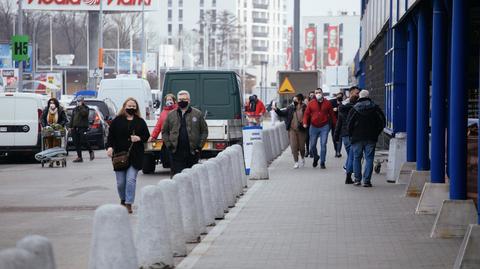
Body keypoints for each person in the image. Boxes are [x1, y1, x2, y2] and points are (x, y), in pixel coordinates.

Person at [106, 97, 150, 214]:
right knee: (121, 182)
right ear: (124, 106)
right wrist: (110, 147)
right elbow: (111, 136)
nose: (131, 108)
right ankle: (123, 199)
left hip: (135, 155)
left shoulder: (140, 121)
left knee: (131, 180)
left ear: (136, 108)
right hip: (119, 155)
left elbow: (146, 136)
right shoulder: (117, 121)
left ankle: (128, 203)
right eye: (129, 106)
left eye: (133, 106)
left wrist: (139, 138)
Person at [162, 90, 208, 176]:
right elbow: (164, 131)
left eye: (184, 99)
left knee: (191, 177)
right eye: (180, 99)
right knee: (177, 177)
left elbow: (204, 131)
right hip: (176, 152)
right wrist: (169, 145)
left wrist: (199, 146)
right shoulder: (171, 114)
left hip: (192, 152)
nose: (182, 101)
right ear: (177, 101)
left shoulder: (197, 114)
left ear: (189, 100)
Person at [347, 90, 386, 187]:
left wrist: (351, 134)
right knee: (369, 159)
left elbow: (349, 124)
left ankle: (357, 179)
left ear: (359, 96)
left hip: (357, 137)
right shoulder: (375, 108)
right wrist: (376, 133)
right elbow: (382, 122)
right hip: (371, 137)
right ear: (368, 96)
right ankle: (367, 181)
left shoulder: (354, 108)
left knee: (357, 158)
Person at [303, 88, 336, 169]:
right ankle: (316, 157)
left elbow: (332, 115)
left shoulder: (327, 103)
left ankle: (322, 162)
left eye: (319, 92)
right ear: (314, 94)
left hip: (324, 126)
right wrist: (305, 122)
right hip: (313, 127)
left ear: (322, 93)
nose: (318, 94)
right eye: (316, 93)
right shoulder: (311, 103)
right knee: (312, 145)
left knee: (323, 144)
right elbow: (306, 114)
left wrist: (335, 124)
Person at [334, 86, 360, 184]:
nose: (358, 95)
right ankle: (349, 175)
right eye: (356, 93)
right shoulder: (357, 106)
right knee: (352, 156)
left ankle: (348, 172)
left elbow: (339, 122)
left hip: (345, 134)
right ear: (351, 93)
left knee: (351, 155)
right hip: (351, 134)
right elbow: (339, 122)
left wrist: (336, 135)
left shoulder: (342, 106)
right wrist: (336, 135)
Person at [275, 94, 307, 169]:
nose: (294, 101)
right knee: (294, 146)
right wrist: (276, 109)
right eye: (294, 100)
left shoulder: (305, 107)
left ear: (300, 100)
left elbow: (308, 116)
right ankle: (296, 162)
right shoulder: (290, 107)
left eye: (296, 100)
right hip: (292, 129)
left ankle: (302, 157)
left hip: (301, 130)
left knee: (302, 147)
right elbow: (283, 114)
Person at [41, 98, 68, 167]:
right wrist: (45, 126)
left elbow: (64, 120)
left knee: (56, 145)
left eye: (53, 103)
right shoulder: (46, 110)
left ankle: (56, 159)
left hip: (57, 130)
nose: (51, 104)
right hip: (48, 130)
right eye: (50, 103)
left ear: (56, 104)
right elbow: (42, 119)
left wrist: (59, 125)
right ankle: (51, 160)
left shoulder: (60, 110)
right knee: (49, 145)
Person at [70, 96, 94, 163]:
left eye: (80, 101)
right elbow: (72, 118)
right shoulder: (75, 109)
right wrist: (70, 126)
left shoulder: (86, 108)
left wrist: (80, 107)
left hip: (82, 127)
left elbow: (84, 114)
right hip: (74, 128)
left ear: (83, 101)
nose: (78, 102)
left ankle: (91, 151)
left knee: (84, 141)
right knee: (76, 142)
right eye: (77, 101)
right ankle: (79, 157)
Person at [329, 92, 344, 157]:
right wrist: (333, 109)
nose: (339, 97)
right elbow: (328, 110)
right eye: (338, 96)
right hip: (333, 123)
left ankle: (338, 151)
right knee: (334, 137)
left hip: (341, 123)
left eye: (341, 96)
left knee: (340, 137)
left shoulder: (343, 103)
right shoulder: (332, 102)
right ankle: (336, 150)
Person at [304, 91, 315, 158]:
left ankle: (311, 151)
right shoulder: (306, 103)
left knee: (313, 138)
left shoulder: (316, 103)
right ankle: (307, 150)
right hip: (307, 123)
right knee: (307, 138)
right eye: (311, 95)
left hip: (313, 123)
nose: (312, 96)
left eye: (313, 95)